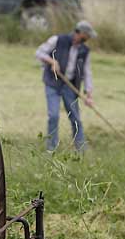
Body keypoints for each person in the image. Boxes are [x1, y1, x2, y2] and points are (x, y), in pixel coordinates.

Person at [35, 20, 97, 152]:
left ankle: (81, 148)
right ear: (80, 33)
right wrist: (52, 61)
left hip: (69, 86)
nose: (89, 38)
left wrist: (89, 95)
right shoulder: (57, 40)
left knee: (75, 117)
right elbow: (39, 52)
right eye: (87, 35)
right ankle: (51, 148)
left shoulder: (84, 51)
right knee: (54, 116)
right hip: (53, 83)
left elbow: (87, 72)